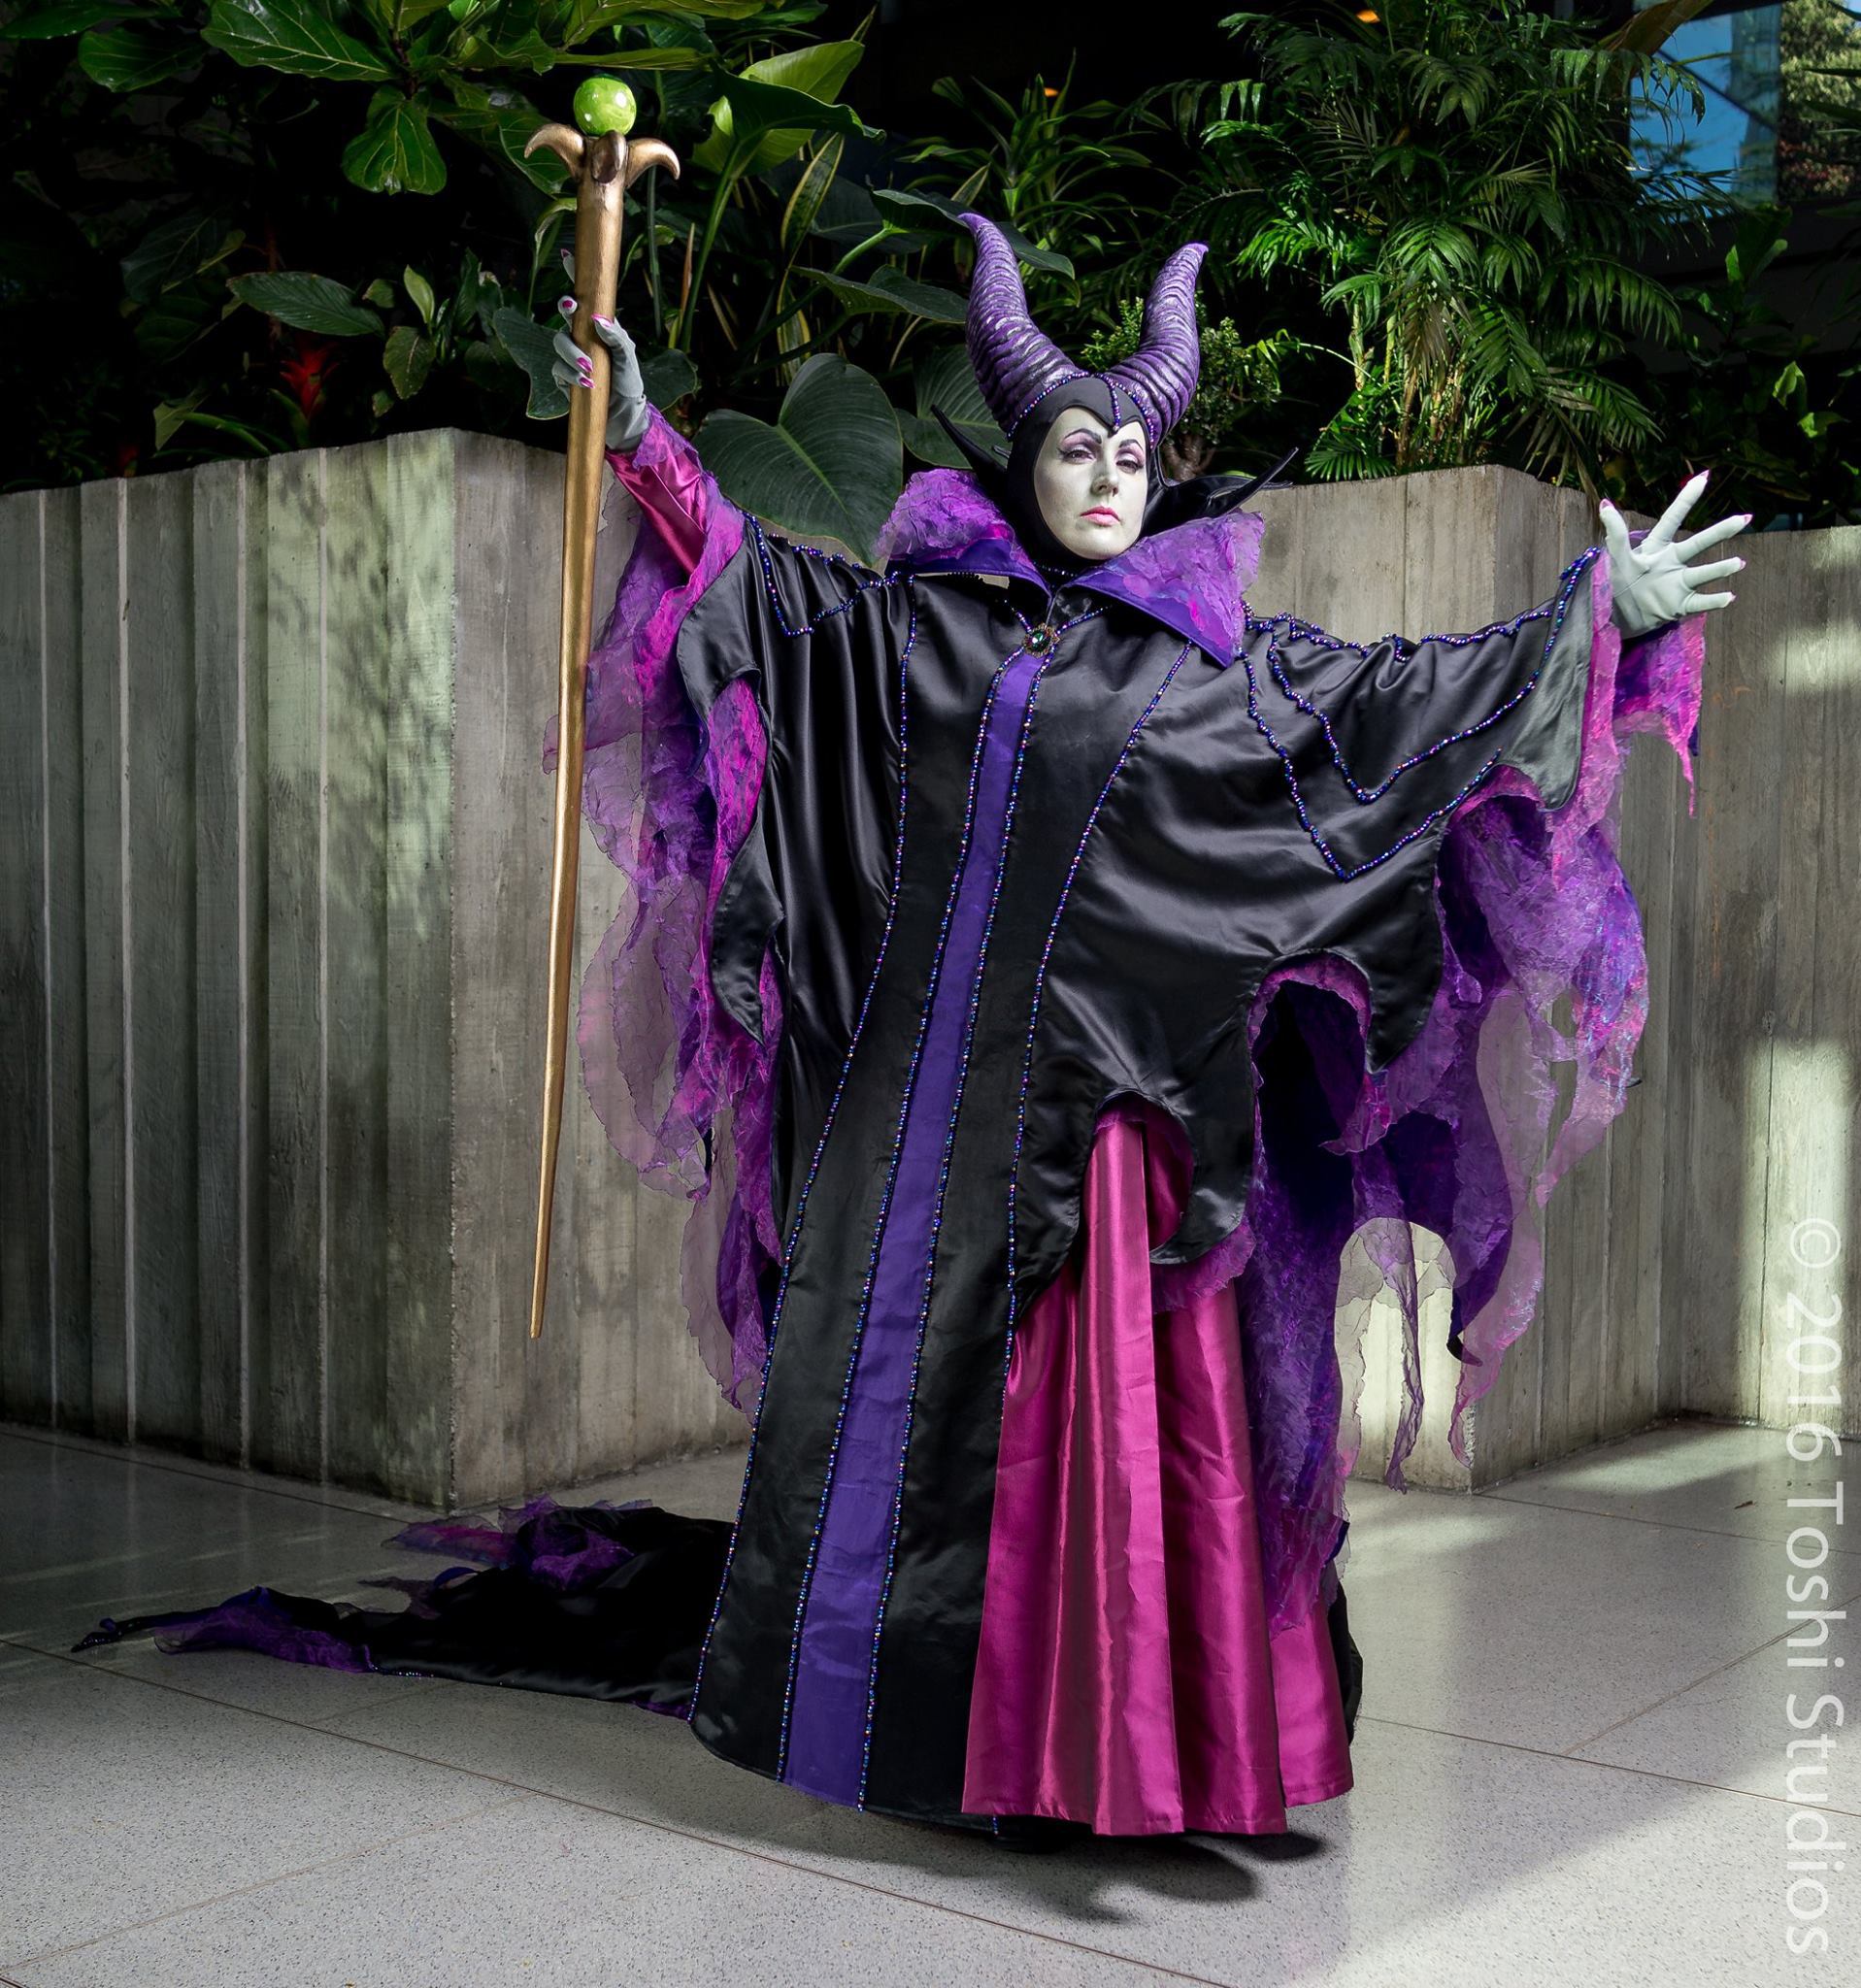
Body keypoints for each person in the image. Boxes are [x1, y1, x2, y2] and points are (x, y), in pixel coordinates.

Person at [80, 215, 1745, 1846]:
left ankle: (1113, 1750)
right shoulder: (902, 632)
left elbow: (1408, 709)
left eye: (1134, 455)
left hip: (1111, 1135)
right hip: (917, 1131)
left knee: (1121, 1437)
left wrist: (1596, 613)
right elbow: (746, 592)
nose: (1110, 477)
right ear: (1022, 460)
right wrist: (648, 444)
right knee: (916, 1423)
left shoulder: (1222, 671)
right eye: (1079, 448)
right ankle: (926, 1734)